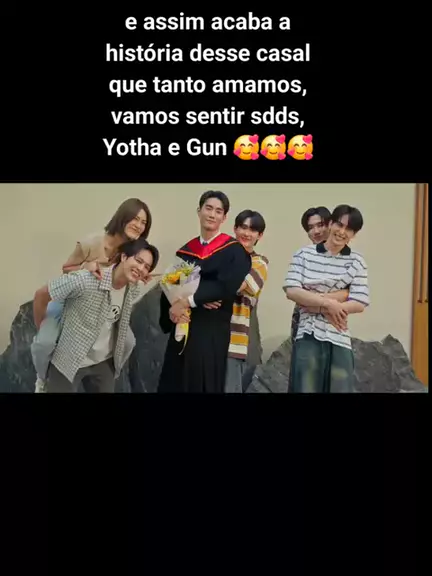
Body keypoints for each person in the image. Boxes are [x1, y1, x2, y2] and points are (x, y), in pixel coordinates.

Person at [32, 197, 152, 392]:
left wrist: (140, 273)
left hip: (102, 305)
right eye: (135, 219)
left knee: (129, 341)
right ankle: (42, 378)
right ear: (123, 216)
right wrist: (85, 267)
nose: (139, 225)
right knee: (45, 341)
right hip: (73, 299)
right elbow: (66, 269)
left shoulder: (130, 250)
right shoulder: (93, 242)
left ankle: (111, 371)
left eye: (144, 222)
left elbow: (127, 274)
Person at [158, 190, 252, 393]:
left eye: (218, 211)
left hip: (210, 331)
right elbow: (170, 284)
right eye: (208, 208)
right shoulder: (185, 251)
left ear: (224, 218)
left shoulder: (233, 250)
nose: (212, 214)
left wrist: (191, 299)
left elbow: (226, 285)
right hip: (182, 325)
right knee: (174, 380)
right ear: (199, 211)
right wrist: (173, 307)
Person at [283, 204, 370, 393]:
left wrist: (315, 302)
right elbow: (292, 291)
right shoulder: (304, 254)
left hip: (339, 334)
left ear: (354, 234)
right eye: (339, 224)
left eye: (349, 229)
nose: (342, 232)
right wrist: (329, 304)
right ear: (331, 224)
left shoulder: (357, 261)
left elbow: (359, 301)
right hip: (308, 333)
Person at [204, 210, 269, 393]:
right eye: (243, 227)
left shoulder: (259, 262)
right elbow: (194, 279)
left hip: (234, 341)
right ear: (235, 229)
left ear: (259, 235)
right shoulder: (218, 255)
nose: (246, 233)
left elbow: (239, 284)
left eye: (253, 230)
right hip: (207, 336)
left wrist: (206, 290)